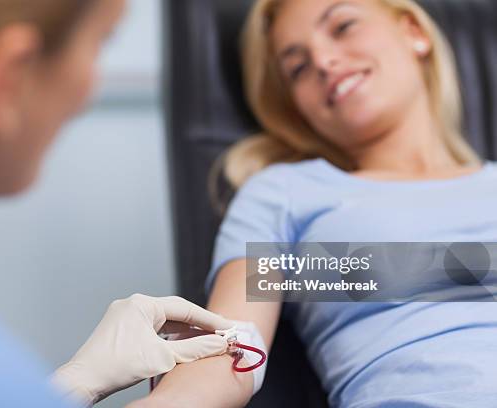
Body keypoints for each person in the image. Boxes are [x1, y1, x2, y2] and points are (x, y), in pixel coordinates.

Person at [133, 0, 497, 407]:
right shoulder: (284, 195)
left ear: (413, 30)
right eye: (297, 68)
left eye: (343, 26)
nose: (323, 61)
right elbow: (226, 355)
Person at [0, 0, 233, 407]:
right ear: (9, 75)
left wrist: (75, 383)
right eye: (99, 44)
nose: (325, 66)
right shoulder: (272, 195)